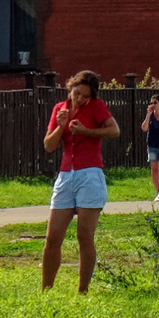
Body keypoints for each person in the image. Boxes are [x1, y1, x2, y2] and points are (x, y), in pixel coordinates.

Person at [41, 71, 123, 293]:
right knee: (52, 237)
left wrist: (86, 131)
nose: (79, 99)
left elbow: (114, 130)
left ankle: (82, 290)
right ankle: (46, 290)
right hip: (66, 175)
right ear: (70, 88)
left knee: (84, 235)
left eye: (84, 96)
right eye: (77, 93)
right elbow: (49, 146)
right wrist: (61, 126)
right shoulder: (60, 109)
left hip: (90, 174)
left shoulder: (97, 106)